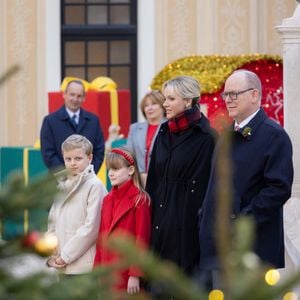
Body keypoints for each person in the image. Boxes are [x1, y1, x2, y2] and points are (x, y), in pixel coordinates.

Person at [198, 70, 294, 287]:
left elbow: (278, 189)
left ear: (254, 95)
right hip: (218, 248)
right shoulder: (226, 135)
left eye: (234, 94)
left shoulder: (274, 135)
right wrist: (203, 219)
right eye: (226, 95)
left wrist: (241, 222)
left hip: (253, 250)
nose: (228, 100)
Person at [145, 76, 216, 279]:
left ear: (188, 100)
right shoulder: (164, 132)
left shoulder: (207, 138)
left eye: (170, 99)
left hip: (187, 228)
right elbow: (154, 180)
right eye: (165, 99)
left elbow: (205, 191)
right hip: (160, 223)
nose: (164, 104)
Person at [46, 134, 107, 274]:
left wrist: (65, 257)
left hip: (84, 266)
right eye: (68, 159)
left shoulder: (95, 186)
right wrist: (52, 253)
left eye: (78, 158)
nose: (72, 163)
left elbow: (91, 229)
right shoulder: (61, 185)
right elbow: (52, 222)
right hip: (60, 263)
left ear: (90, 158)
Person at [94, 147, 151, 294]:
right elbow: (101, 238)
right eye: (109, 169)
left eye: (116, 169)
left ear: (131, 170)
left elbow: (142, 240)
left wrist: (135, 274)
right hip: (107, 271)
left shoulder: (140, 200)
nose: (110, 173)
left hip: (125, 271)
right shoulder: (107, 200)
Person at [40, 80, 105, 174]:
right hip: (60, 182)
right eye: (72, 94)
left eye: (79, 96)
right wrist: (66, 175)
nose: (75, 99)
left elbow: (99, 152)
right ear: (64, 94)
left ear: (84, 98)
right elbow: (48, 153)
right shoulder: (50, 121)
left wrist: (87, 174)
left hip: (87, 180)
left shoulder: (93, 121)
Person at [126, 90, 166, 184]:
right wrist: (140, 174)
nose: (149, 108)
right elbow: (129, 154)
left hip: (162, 180)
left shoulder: (170, 127)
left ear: (163, 106)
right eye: (146, 105)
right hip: (138, 180)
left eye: (154, 104)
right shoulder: (134, 128)